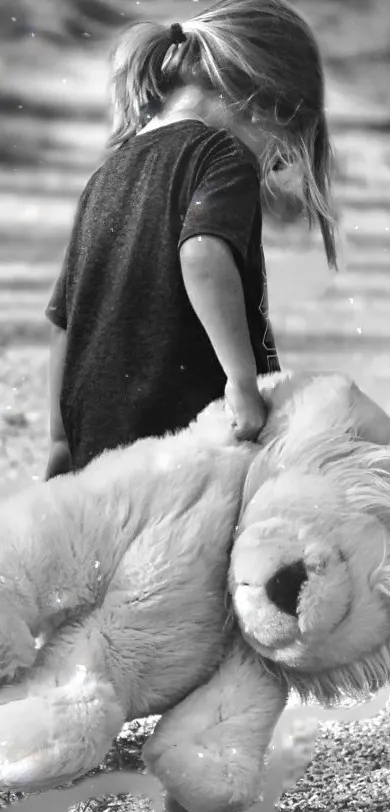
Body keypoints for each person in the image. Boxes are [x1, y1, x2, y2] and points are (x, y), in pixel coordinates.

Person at [44, 0, 338, 480]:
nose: (269, 165)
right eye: (280, 152)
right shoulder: (221, 154)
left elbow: (63, 322)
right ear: (263, 102)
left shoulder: (104, 175)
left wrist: (60, 439)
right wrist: (242, 381)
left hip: (96, 446)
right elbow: (202, 256)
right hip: (184, 439)